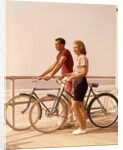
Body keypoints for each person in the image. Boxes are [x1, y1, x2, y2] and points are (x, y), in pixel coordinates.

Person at [37, 37, 74, 126]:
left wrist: (50, 76)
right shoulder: (59, 55)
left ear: (62, 44)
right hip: (64, 80)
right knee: (67, 101)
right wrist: (42, 75)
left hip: (69, 79)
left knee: (63, 101)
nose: (55, 46)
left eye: (57, 44)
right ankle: (70, 122)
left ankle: (61, 124)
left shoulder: (66, 52)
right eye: (55, 44)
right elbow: (52, 66)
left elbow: (59, 64)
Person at [64, 40, 89, 135]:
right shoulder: (78, 58)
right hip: (77, 83)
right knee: (81, 107)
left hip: (81, 83)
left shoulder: (83, 57)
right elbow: (77, 72)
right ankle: (84, 127)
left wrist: (71, 77)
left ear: (81, 48)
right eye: (73, 47)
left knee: (74, 106)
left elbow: (84, 73)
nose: (74, 49)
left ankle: (82, 128)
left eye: (76, 47)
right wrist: (66, 74)